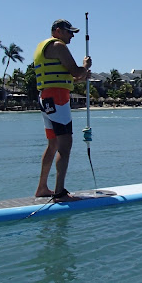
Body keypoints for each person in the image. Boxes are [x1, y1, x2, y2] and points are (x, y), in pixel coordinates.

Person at [34, 19, 92, 202]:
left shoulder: (43, 47)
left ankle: (42, 188)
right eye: (69, 32)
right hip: (58, 99)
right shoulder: (58, 46)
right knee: (65, 145)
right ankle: (59, 193)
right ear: (58, 31)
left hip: (46, 97)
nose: (72, 35)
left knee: (53, 144)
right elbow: (75, 71)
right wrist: (85, 67)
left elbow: (66, 77)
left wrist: (79, 78)